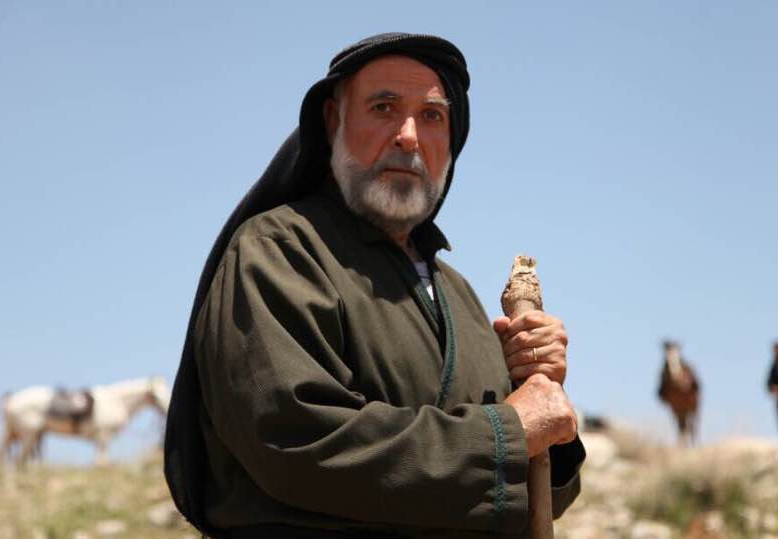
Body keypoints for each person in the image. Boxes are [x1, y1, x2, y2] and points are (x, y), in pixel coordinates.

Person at [164, 33, 585, 539]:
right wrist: (506, 433)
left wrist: (547, 411)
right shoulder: (279, 250)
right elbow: (296, 441)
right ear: (333, 122)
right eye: (383, 108)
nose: (408, 135)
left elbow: (521, 496)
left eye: (432, 116)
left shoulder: (462, 298)